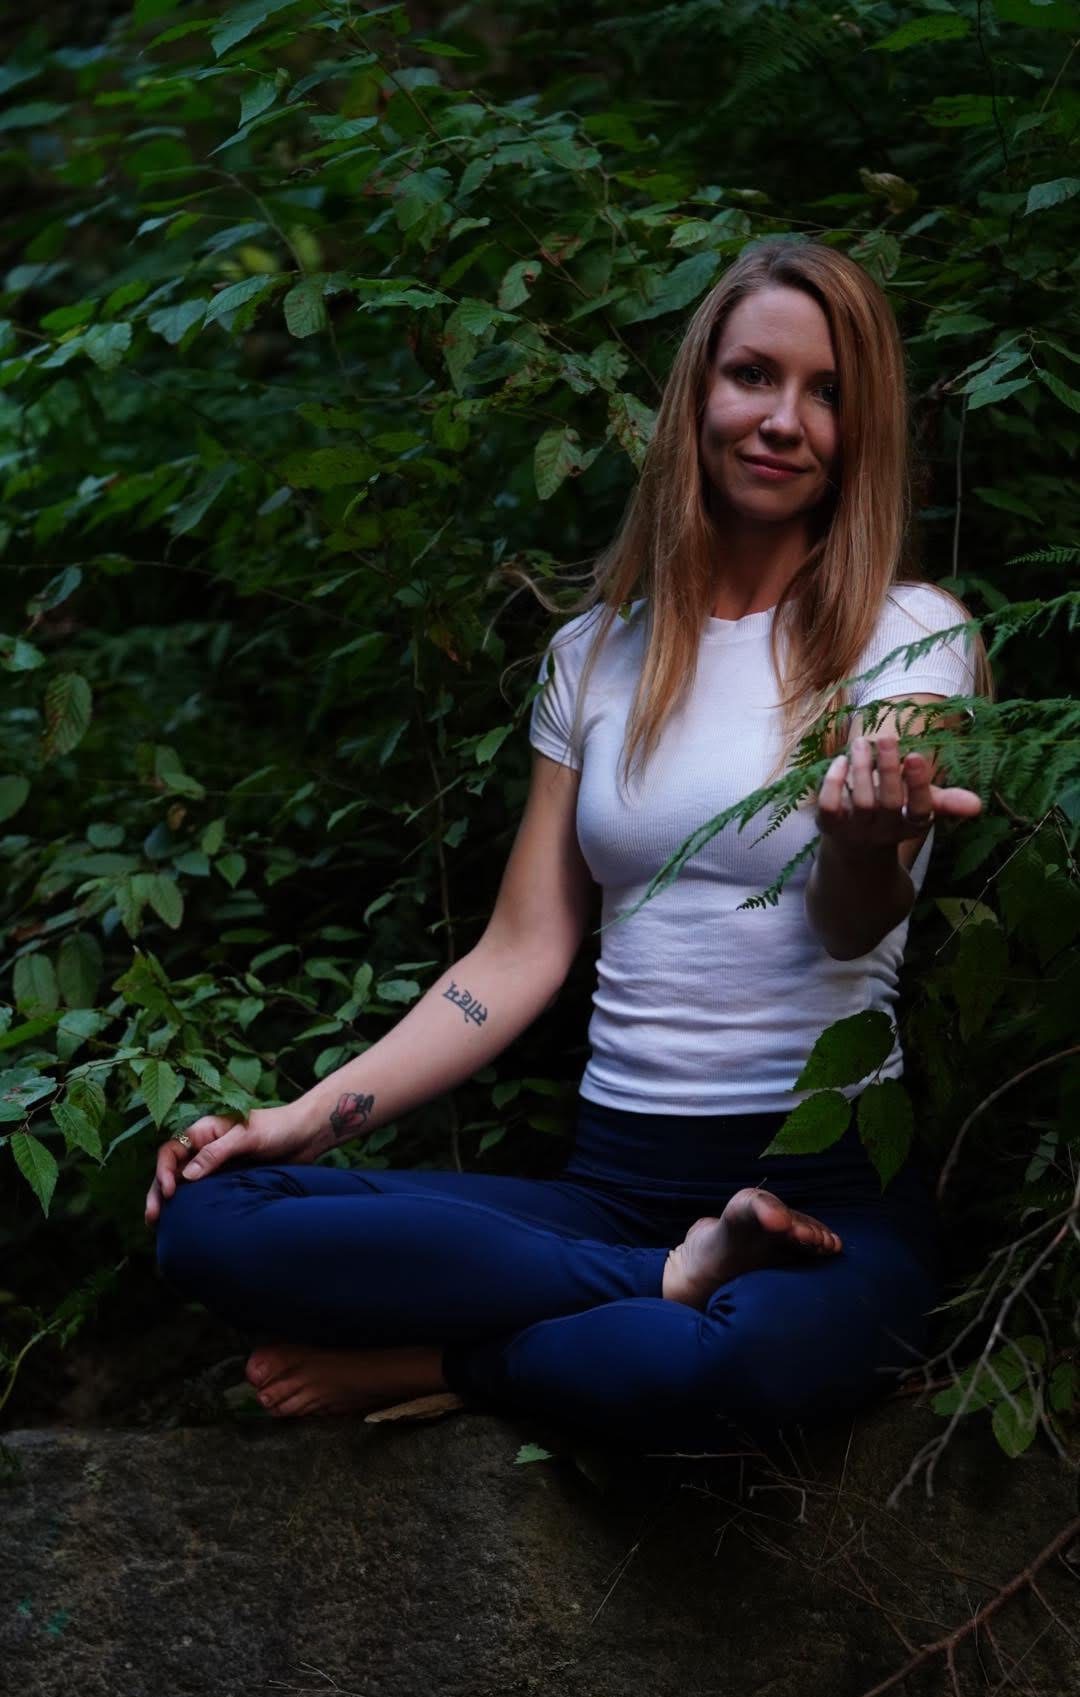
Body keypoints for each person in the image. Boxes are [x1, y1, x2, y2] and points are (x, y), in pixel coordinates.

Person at [149, 238, 992, 1446]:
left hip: (827, 1193)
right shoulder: (595, 654)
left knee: (719, 1367)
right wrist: (304, 1119)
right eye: (754, 375)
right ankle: (665, 1278)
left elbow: (858, 925)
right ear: (698, 390)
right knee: (208, 1219)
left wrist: (864, 843)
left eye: (828, 394)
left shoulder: (910, 635)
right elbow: (518, 956)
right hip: (614, 1190)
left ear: (864, 433)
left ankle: (452, 1362)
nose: (783, 420)